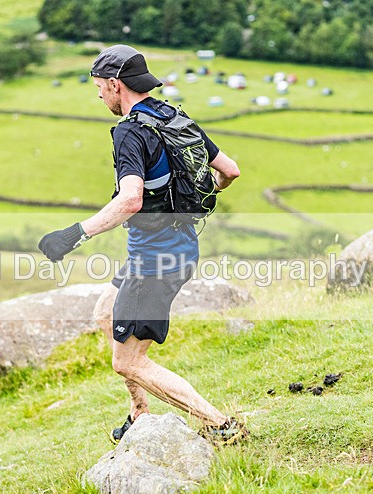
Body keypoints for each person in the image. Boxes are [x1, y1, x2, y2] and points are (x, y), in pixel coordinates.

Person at [38, 45, 247, 445]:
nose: (99, 96)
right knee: (105, 313)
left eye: (100, 88)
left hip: (156, 262)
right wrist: (193, 201)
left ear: (116, 85)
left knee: (128, 362)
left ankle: (221, 426)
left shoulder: (130, 133)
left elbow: (131, 198)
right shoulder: (173, 115)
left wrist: (73, 235)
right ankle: (139, 412)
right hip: (174, 248)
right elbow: (230, 171)